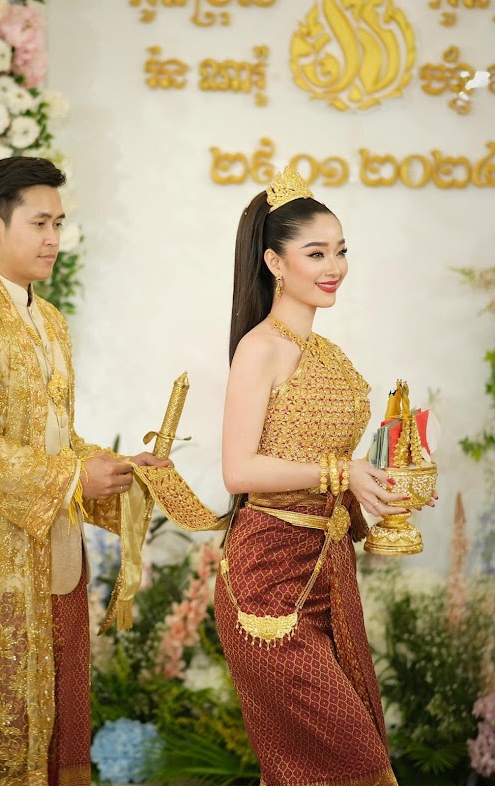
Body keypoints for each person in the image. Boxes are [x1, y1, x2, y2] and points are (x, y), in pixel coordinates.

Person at [0, 156, 169, 786]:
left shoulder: (49, 319)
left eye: (59, 223)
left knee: (56, 735)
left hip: (55, 557)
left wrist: (109, 467)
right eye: (40, 223)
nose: (54, 238)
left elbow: (53, 437)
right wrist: (73, 480)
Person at [214, 166, 435, 786]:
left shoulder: (329, 356)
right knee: (343, 765)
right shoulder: (259, 348)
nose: (334, 265)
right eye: (316, 252)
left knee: (338, 763)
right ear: (275, 263)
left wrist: (385, 493)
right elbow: (239, 470)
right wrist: (346, 471)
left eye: (340, 250)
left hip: (327, 573)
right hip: (266, 583)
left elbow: (338, 478)